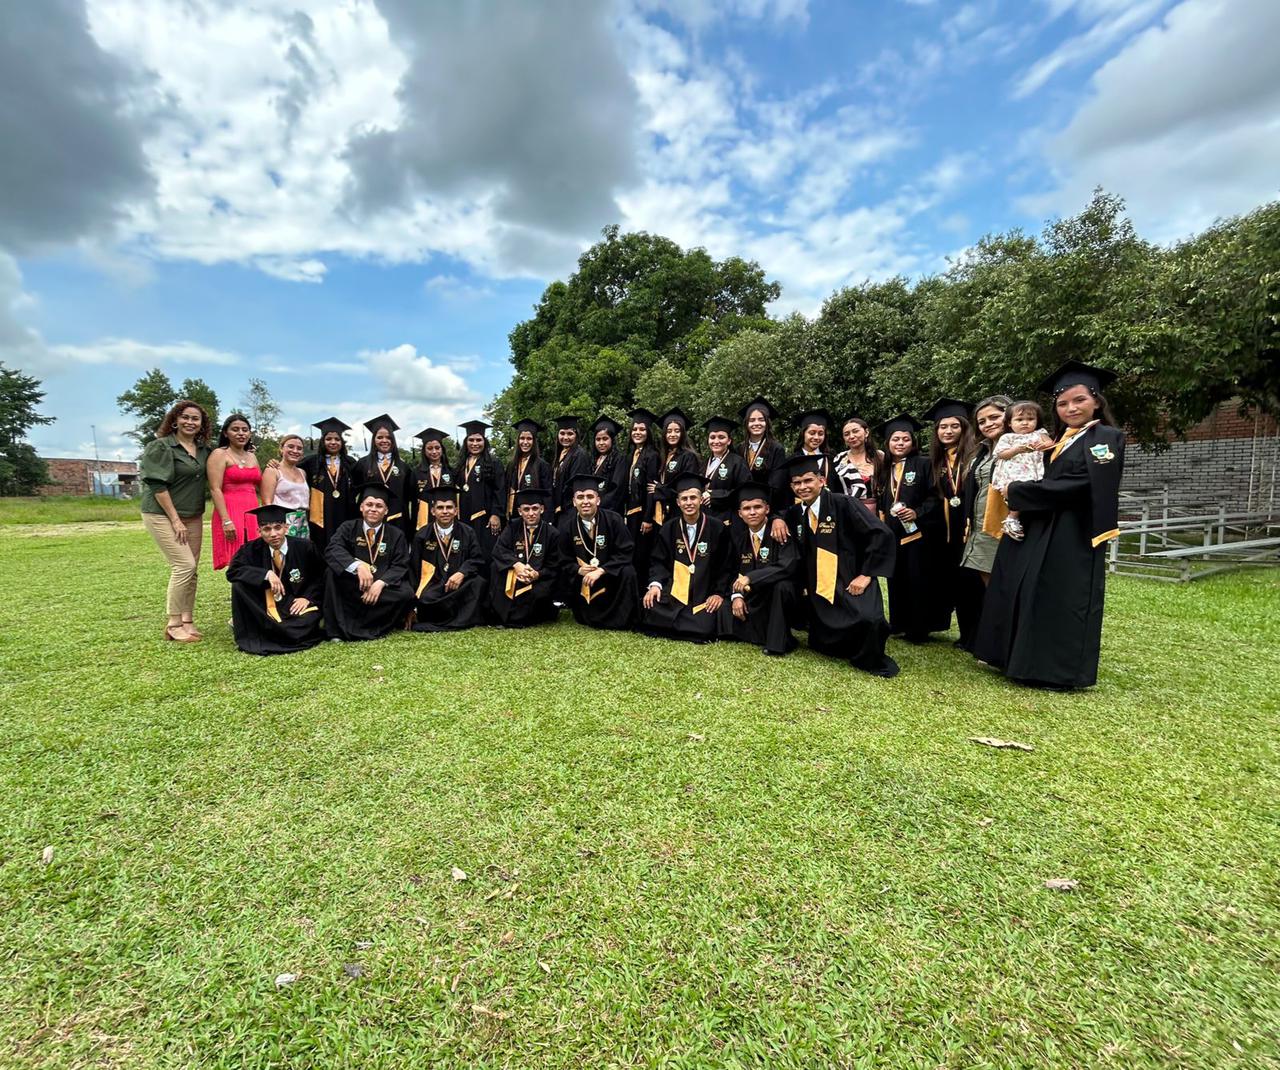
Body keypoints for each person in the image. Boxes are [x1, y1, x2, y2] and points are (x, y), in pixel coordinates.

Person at [974, 361, 1126, 689]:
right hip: (1042, 522)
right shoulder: (1060, 439)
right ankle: (1011, 657)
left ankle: (1053, 671)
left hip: (1072, 530)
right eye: (1062, 403)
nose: (1071, 408)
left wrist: (1019, 492)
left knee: (1058, 597)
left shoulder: (1104, 438)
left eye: (1079, 400)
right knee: (1022, 586)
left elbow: (1084, 484)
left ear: (1097, 401)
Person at [784, 454, 899, 678]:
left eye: (808, 480)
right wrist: (778, 520)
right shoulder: (795, 514)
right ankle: (834, 646)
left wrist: (867, 575)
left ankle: (867, 654)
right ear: (791, 487)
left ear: (822, 481)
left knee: (870, 619)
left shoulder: (844, 503)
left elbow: (881, 534)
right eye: (797, 483)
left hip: (850, 574)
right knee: (825, 626)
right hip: (819, 582)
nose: (802, 487)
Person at [139, 399, 213, 642]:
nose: (190, 422)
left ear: (202, 424)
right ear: (175, 420)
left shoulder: (203, 450)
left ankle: (187, 620)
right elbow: (157, 485)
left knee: (193, 570)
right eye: (185, 417)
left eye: (195, 418)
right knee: (184, 565)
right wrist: (175, 520)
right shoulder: (161, 447)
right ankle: (173, 623)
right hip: (162, 514)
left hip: (193, 514)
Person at [875, 413, 948, 643]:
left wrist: (917, 512)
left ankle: (919, 629)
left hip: (919, 533)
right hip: (894, 533)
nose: (900, 443)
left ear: (913, 442)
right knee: (897, 578)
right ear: (888, 443)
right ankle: (899, 623)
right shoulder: (886, 468)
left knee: (918, 578)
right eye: (895, 439)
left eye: (905, 439)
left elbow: (935, 497)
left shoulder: (924, 463)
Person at [641, 473, 731, 643]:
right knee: (650, 606)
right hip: (675, 593)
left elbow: (725, 565)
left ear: (701, 500)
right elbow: (658, 561)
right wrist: (655, 585)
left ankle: (677, 626)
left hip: (704, 593)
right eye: (684, 499)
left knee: (713, 616)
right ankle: (690, 627)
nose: (689, 503)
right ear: (678, 502)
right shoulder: (668, 528)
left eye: (693, 498)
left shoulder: (717, 528)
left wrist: (718, 593)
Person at [226, 503, 325, 654]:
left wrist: (308, 598)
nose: (273, 534)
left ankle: (272, 631)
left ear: (286, 528)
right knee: (239, 585)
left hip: (295, 604)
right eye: (267, 529)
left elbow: (320, 576)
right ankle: (275, 630)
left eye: (277, 528)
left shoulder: (305, 547)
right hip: (264, 606)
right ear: (259, 531)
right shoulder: (250, 550)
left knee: (308, 621)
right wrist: (265, 574)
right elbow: (233, 572)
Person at [323, 481, 416, 641]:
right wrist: (357, 566)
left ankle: (378, 625)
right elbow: (333, 549)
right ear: (361, 507)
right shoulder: (348, 527)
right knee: (331, 573)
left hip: (381, 588)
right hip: (355, 584)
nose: (373, 509)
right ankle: (336, 631)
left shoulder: (396, 534)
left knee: (406, 593)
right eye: (369, 504)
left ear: (386, 511)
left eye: (379, 506)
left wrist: (380, 583)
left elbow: (400, 564)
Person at [956, 395, 1013, 652]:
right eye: (982, 421)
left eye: (994, 417)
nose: (988, 424)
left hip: (1006, 528)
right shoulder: (982, 451)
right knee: (992, 591)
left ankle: (1007, 646)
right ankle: (994, 644)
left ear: (1008, 416)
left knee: (1005, 590)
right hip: (981, 529)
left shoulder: (1021, 446)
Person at [717, 482, 800, 656]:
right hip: (752, 595)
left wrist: (751, 578)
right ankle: (756, 633)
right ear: (740, 514)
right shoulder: (739, 539)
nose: (752, 512)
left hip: (776, 595)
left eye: (757, 507)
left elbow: (788, 565)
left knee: (783, 586)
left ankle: (778, 642)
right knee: (721, 608)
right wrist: (736, 596)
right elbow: (732, 571)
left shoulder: (780, 532)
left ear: (767, 509)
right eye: (747, 509)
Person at [924, 397, 979, 639]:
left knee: (970, 581)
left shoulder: (976, 455)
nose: (948, 431)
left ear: (964, 428)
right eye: (943, 427)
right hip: (942, 531)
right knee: (948, 579)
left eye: (954, 426)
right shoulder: (936, 460)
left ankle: (973, 633)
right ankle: (943, 625)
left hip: (969, 526)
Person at [556, 473, 637, 630]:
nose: (585, 501)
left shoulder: (614, 520)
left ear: (598, 500)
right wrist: (577, 569)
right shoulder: (566, 527)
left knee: (628, 571)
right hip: (585, 581)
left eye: (590, 496)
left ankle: (621, 617)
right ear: (574, 501)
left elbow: (626, 551)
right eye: (580, 497)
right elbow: (562, 560)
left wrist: (602, 570)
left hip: (610, 575)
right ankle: (587, 613)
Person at [410, 484, 488, 633]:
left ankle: (445, 622)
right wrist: (412, 603)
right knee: (425, 599)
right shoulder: (422, 535)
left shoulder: (468, 532)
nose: (445, 511)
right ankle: (458, 621)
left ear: (456, 510)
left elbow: (477, 559)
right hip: (434, 585)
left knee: (478, 583)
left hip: (459, 585)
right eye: (440, 507)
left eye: (449, 507)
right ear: (433, 511)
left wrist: (462, 573)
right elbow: (414, 569)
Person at [490, 486, 563, 628]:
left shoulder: (552, 533)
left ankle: (522, 617)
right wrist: (516, 565)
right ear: (519, 511)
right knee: (495, 568)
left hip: (537, 579)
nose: (531, 513)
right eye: (526, 509)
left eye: (535, 509)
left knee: (538, 594)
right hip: (514, 574)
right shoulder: (512, 526)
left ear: (542, 509)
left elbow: (554, 566)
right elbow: (499, 550)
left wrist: (537, 574)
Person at [988, 400, 1055, 541]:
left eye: (1030, 419)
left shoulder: (1040, 433)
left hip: (1034, 470)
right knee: (1016, 493)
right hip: (1015, 472)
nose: (1025, 423)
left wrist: (1043, 445)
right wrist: (1016, 450)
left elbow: (1050, 444)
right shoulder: (1008, 437)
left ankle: (1023, 519)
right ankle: (1012, 518)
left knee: (1030, 492)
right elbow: (1000, 454)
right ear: (1009, 423)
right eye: (1019, 420)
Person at [208, 413, 262, 570]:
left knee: (254, 556)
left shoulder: (252, 456)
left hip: (252, 511)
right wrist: (226, 520)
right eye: (235, 429)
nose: (241, 433)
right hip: (230, 510)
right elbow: (215, 488)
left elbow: (261, 484)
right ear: (226, 433)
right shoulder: (219, 454)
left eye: (245, 430)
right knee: (236, 559)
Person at [617, 408, 662, 589]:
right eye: (635, 429)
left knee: (642, 555)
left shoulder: (652, 455)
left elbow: (651, 489)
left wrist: (648, 518)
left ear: (649, 432)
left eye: (642, 429)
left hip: (643, 514)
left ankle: (643, 592)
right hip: (631, 514)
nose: (637, 432)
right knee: (632, 554)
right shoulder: (632, 455)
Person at [350, 415, 415, 540]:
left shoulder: (403, 467)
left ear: (393, 440)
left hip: (397, 520)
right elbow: (353, 491)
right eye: (380, 437)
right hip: (369, 519)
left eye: (388, 437)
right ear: (374, 440)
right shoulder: (362, 464)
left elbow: (408, 496)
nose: (384, 440)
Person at [300, 417, 356, 553]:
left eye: (337, 439)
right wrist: (275, 464)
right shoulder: (310, 462)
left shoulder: (350, 463)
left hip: (345, 513)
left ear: (342, 442)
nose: (333, 442)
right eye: (329, 439)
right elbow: (289, 469)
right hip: (320, 517)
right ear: (322, 441)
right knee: (320, 549)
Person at [455, 419, 505, 558]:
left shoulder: (494, 462)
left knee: (485, 552)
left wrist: (496, 514)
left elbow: (500, 490)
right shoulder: (461, 464)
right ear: (466, 442)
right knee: (466, 551)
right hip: (464, 515)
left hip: (485, 517)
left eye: (479, 440)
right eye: (471, 440)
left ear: (485, 441)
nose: (475, 444)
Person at [737, 396, 789, 517]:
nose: (756, 423)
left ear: (767, 423)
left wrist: (760, 504)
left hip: (767, 507)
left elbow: (777, 485)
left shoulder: (776, 449)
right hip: (744, 508)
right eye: (752, 420)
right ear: (747, 423)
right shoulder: (740, 448)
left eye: (761, 419)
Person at [654, 408, 701, 527]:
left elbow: (687, 488)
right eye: (669, 431)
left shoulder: (688, 456)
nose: (672, 435)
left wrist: (659, 489)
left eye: (677, 431)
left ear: (683, 433)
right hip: (664, 510)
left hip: (680, 510)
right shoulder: (664, 455)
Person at [259, 433, 311, 539]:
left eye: (299, 448)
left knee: (301, 549)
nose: (295, 451)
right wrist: (274, 528)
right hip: (281, 522)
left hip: (302, 522)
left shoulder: (302, 473)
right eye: (291, 447)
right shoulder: (273, 471)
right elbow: (267, 503)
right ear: (281, 449)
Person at [702, 416, 750, 523]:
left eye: (721, 437)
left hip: (728, 518)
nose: (716, 441)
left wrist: (716, 496)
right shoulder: (703, 464)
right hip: (705, 517)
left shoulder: (738, 462)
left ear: (729, 441)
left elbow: (744, 491)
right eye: (712, 437)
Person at [504, 419, 551, 520]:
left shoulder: (542, 465)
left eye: (529, 438)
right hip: (514, 515)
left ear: (534, 441)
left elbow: (547, 496)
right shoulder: (512, 465)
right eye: (522, 438)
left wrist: (547, 520)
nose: (525, 442)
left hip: (533, 517)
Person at [411, 427, 457, 531]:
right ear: (424, 451)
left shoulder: (452, 472)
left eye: (437, 447)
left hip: (446, 517)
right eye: (430, 448)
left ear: (442, 449)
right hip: (424, 519)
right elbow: (412, 499)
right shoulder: (416, 473)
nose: (434, 451)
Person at [832, 416, 882, 510]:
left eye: (855, 431)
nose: (851, 436)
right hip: (847, 509)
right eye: (846, 434)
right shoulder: (839, 459)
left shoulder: (879, 456)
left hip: (875, 511)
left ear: (866, 432)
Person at [549, 415, 591, 519]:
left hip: (570, 509)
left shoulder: (579, 455)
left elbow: (574, 484)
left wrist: (562, 505)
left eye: (570, 434)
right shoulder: (561, 454)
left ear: (576, 435)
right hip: (559, 508)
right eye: (562, 433)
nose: (565, 437)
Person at [791, 409, 838, 488]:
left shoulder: (831, 458)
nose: (816, 437)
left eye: (821, 434)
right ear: (803, 434)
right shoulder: (793, 461)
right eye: (812, 433)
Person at [588, 416, 624, 512]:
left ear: (612, 440)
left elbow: (617, 490)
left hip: (610, 511)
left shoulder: (619, 459)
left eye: (605, 439)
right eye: (598, 439)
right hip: (593, 509)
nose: (601, 443)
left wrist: (599, 505)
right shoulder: (593, 460)